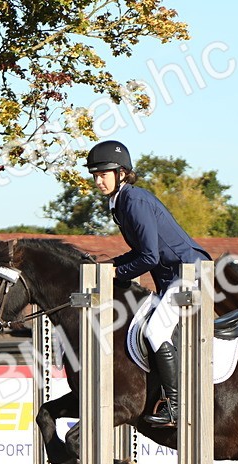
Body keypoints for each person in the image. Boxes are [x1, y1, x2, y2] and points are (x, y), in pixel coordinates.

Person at [86, 140, 211, 427]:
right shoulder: (120, 203)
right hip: (170, 277)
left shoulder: (134, 201)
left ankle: (176, 406)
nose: (98, 180)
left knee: (156, 330)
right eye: (95, 175)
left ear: (121, 173)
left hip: (187, 273)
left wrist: (116, 274)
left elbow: (150, 256)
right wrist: (108, 266)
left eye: (103, 174)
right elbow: (139, 252)